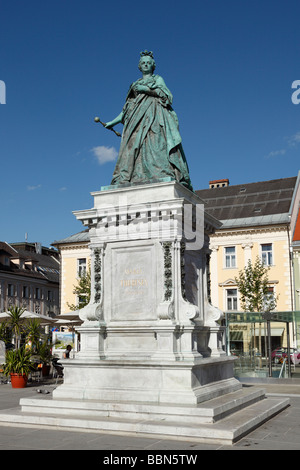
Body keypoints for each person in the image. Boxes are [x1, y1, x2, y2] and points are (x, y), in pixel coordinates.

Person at [105, 51, 193, 191]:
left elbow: (166, 95)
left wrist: (145, 89)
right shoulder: (134, 85)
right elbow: (127, 109)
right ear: (139, 66)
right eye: (143, 63)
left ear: (153, 66)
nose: (146, 65)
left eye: (148, 62)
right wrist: (113, 122)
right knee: (132, 148)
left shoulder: (157, 79)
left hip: (154, 117)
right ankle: (130, 176)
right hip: (135, 121)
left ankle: (159, 172)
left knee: (156, 145)